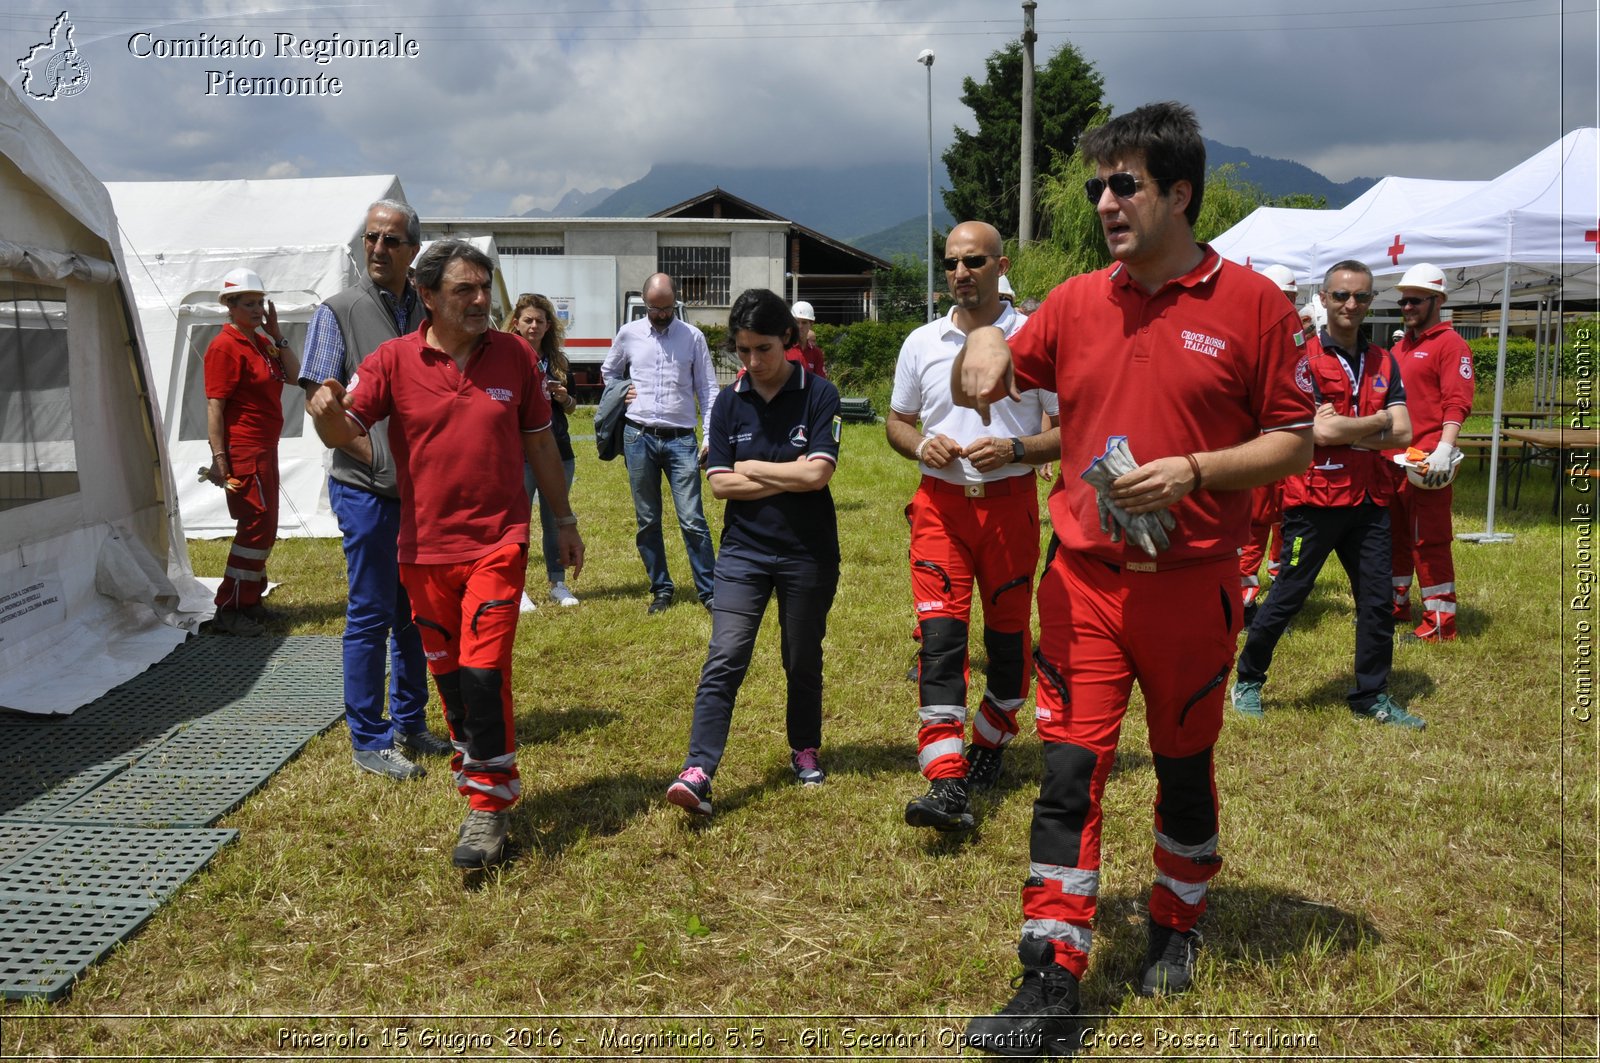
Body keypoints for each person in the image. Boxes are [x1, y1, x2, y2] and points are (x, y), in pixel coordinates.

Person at [951, 102, 1315, 1055]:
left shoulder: (1255, 306)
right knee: (1068, 773)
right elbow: (985, 369)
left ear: (1179, 193)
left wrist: (1196, 470)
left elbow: (1292, 440)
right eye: (1096, 186)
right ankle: (1049, 979)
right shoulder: (1074, 301)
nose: (1105, 202)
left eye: (1125, 185)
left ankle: (1175, 920)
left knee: (1184, 768)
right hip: (1084, 583)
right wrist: (982, 342)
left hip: (1193, 586)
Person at [307, 240, 584, 870]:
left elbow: (542, 448)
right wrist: (324, 415)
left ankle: (487, 809)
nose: (483, 301)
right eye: (465, 290)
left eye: (485, 288)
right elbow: (346, 430)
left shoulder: (514, 357)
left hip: (497, 543)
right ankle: (480, 772)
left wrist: (563, 521)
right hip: (423, 552)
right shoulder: (391, 361)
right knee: (455, 686)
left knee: (486, 676)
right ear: (427, 296)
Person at [888, 220, 1059, 833]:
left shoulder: (1036, 340)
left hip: (1010, 507)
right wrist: (920, 447)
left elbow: (1069, 432)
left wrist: (1016, 450)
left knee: (1010, 648)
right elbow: (897, 422)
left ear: (1001, 265)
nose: (960, 273)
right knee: (940, 640)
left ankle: (990, 739)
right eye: (952, 262)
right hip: (940, 508)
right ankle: (946, 780)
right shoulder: (920, 342)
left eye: (975, 262)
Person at [665, 290, 842, 816]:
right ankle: (698, 770)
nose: (751, 362)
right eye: (741, 351)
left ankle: (804, 747)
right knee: (725, 655)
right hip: (743, 552)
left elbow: (819, 473)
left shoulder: (820, 394)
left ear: (788, 339)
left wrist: (751, 469)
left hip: (808, 552)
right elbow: (719, 486)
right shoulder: (728, 402)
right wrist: (784, 474)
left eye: (762, 349)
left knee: (801, 656)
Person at [1231, 261, 1424, 728]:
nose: (1350, 305)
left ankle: (1371, 695)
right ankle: (1249, 678)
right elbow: (1320, 430)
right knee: (1288, 596)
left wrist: (1352, 430)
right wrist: (1374, 423)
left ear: (1370, 302)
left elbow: (1404, 432)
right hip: (1314, 499)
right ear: (1324, 298)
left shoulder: (1384, 360)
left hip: (1368, 499)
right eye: (1341, 296)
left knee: (1377, 602)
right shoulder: (1305, 359)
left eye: (1360, 297)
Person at [298, 199, 449, 782]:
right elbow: (322, 404)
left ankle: (411, 723)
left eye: (391, 240)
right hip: (366, 488)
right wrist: (378, 457)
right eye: (370, 238)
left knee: (415, 613)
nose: (378, 249)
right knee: (369, 612)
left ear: (413, 250)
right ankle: (368, 735)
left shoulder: (429, 309)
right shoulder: (337, 311)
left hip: (423, 491)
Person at [601, 273, 718, 614]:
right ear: (645, 303)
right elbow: (609, 371)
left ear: (676, 303)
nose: (662, 314)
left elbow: (708, 390)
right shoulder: (629, 334)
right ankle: (661, 589)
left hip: (681, 439)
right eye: (655, 308)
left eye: (668, 308)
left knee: (692, 518)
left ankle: (709, 592)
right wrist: (622, 391)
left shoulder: (692, 337)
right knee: (648, 519)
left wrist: (709, 435)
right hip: (638, 436)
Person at [205, 268, 300, 637]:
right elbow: (214, 406)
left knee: (264, 527)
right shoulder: (224, 346)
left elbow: (296, 376)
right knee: (255, 527)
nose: (259, 308)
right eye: (250, 303)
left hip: (265, 448)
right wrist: (220, 459)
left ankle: (249, 601)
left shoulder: (260, 342)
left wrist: (277, 334)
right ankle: (229, 609)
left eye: (261, 301)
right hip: (245, 449)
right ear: (230, 305)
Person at [1389, 262, 1473, 642]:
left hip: (1427, 464)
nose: (1407, 307)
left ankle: (1440, 623)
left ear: (1437, 301)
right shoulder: (1399, 347)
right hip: (1393, 462)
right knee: (1393, 537)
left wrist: (1444, 447)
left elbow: (1458, 401)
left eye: (1416, 301)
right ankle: (1395, 605)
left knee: (1430, 540)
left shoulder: (1451, 345)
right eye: (1404, 300)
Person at [506, 293, 581, 610]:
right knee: (517, 522)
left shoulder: (559, 362)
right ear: (516, 323)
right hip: (519, 453)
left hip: (558, 451)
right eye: (528, 320)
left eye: (540, 321)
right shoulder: (506, 360)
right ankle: (516, 588)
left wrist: (562, 396)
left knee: (555, 520)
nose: (534, 326)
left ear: (549, 325)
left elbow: (575, 407)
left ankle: (557, 583)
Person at [1239, 264, 1298, 625]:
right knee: (1254, 527)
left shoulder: (1306, 343)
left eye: (1288, 300)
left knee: (1291, 534)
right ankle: (1245, 603)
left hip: (1291, 453)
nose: (1283, 307)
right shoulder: (1248, 338)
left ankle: (1283, 598)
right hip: (1260, 451)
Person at [786, 300, 827, 377]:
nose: (800, 326)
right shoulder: (783, 350)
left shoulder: (816, 353)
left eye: (804, 322)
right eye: (797, 322)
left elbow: (821, 382)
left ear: (811, 324)